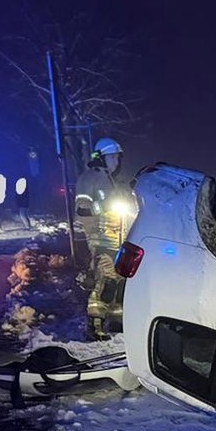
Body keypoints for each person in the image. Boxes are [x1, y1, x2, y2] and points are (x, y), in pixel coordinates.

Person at [74, 137, 133, 340]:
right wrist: (94, 233)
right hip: (101, 240)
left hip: (120, 240)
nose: (117, 161)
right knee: (106, 281)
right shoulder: (89, 178)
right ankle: (95, 326)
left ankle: (117, 322)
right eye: (113, 157)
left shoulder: (113, 181)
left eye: (118, 157)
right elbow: (82, 209)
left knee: (120, 281)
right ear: (101, 157)